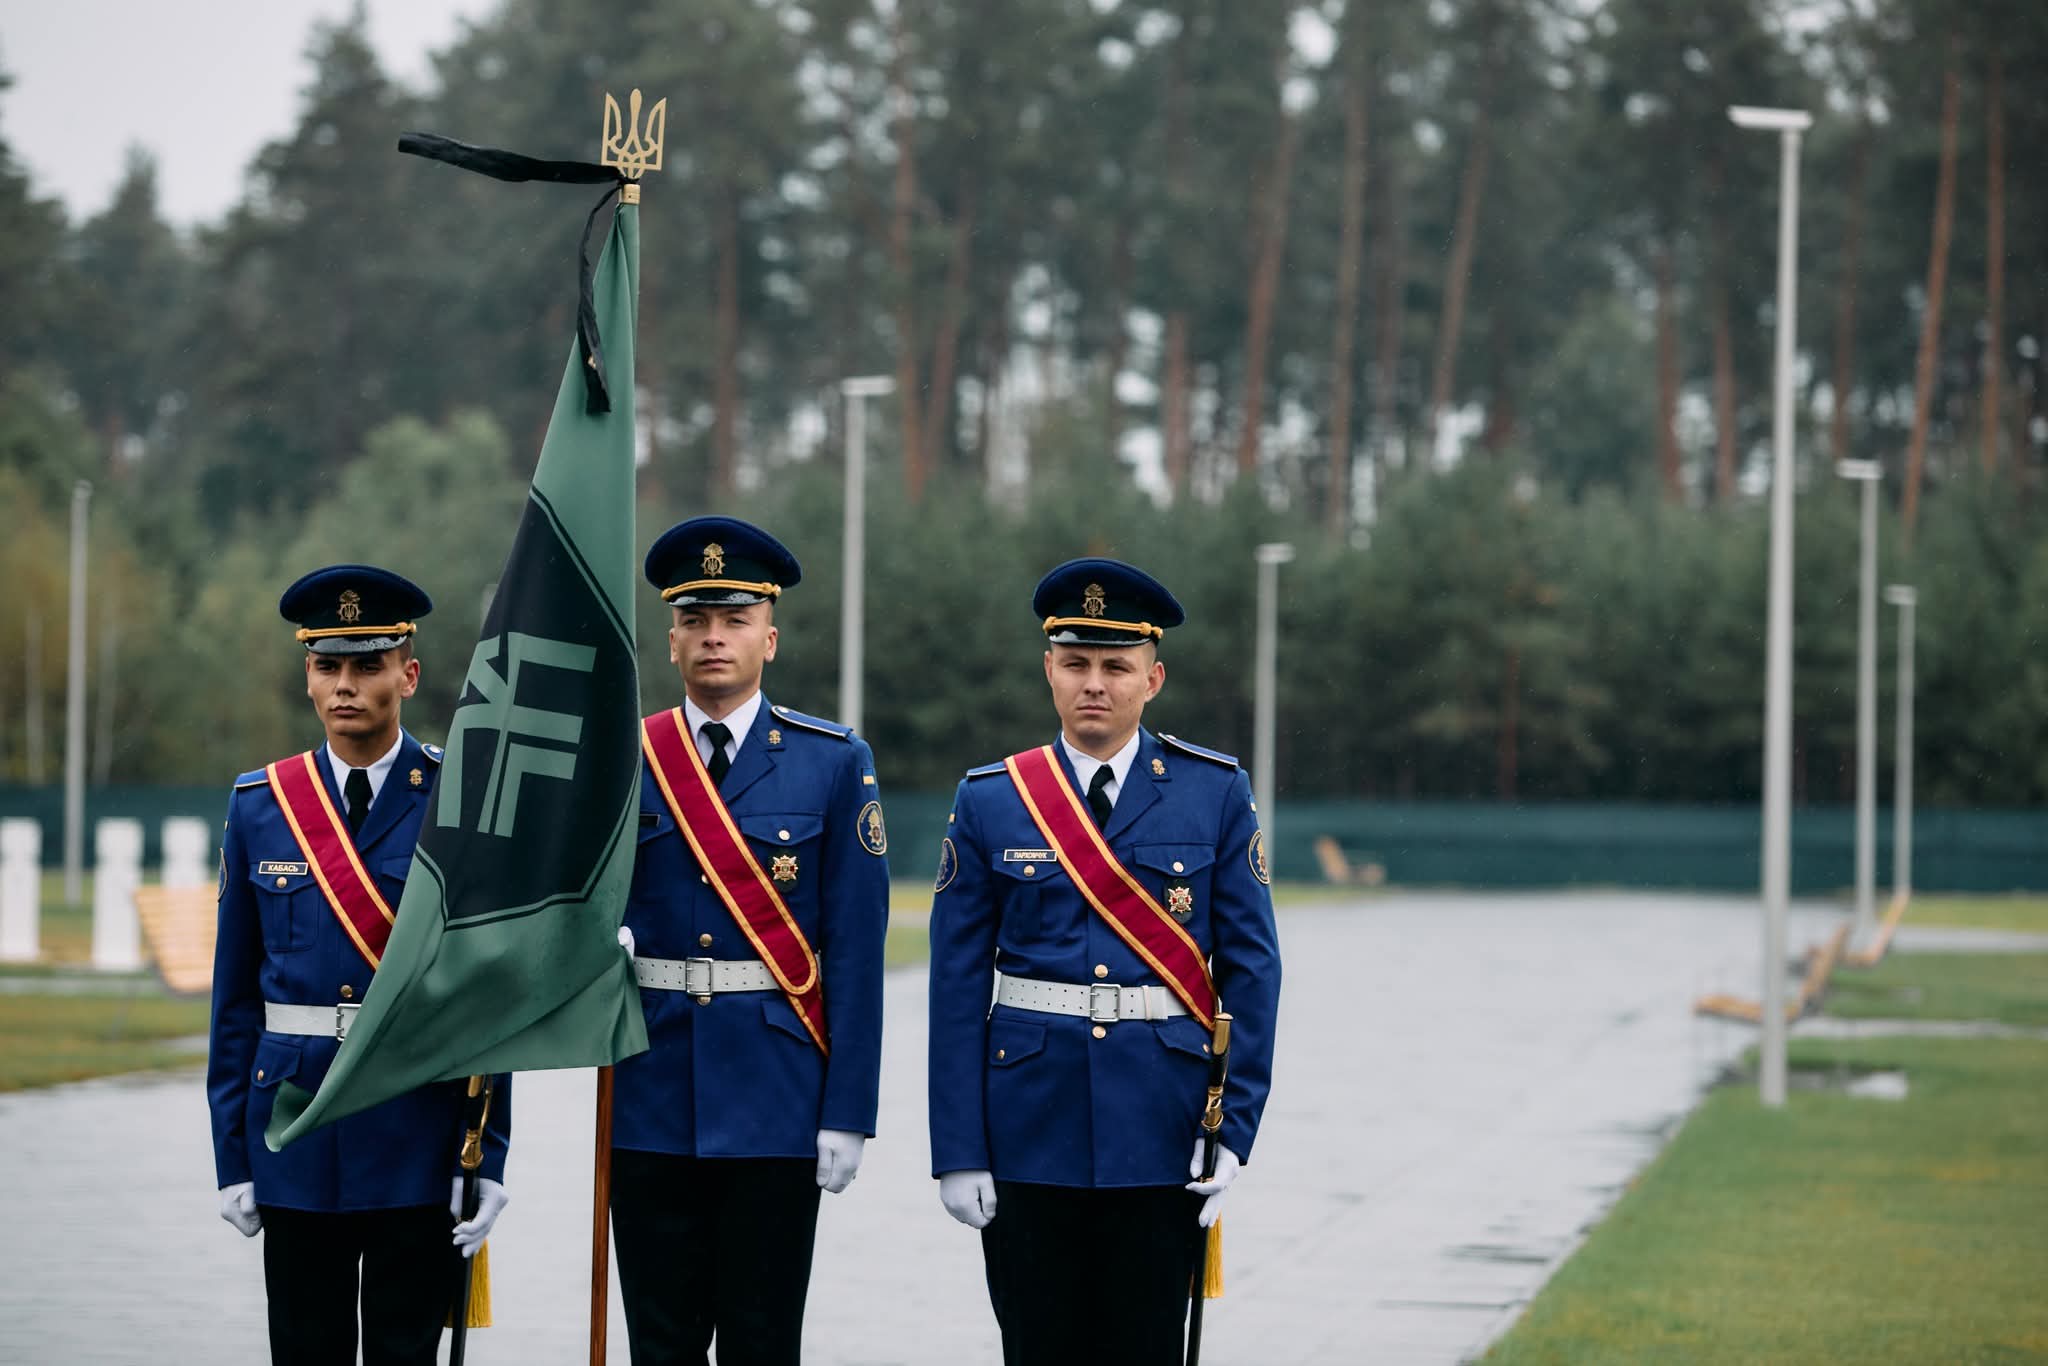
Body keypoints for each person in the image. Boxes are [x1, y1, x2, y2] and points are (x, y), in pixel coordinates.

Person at [927, 557, 1282, 1364]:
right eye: (1077, 663)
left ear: (1152, 678)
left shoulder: (1214, 792)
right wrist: (958, 1148)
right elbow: (954, 985)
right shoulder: (991, 798)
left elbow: (1253, 971)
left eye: (1116, 667)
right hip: (1026, 1130)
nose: (1096, 684)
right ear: (1048, 669)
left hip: (1162, 1128)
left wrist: (1235, 1128)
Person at [207, 564, 511, 1365]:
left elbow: (482, 999)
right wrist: (229, 1156)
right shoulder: (260, 806)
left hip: (415, 1128)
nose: (346, 686)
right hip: (292, 1129)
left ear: (408, 675)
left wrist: (491, 1154)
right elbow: (235, 1000)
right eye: (327, 665)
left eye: (368, 664)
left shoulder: (457, 801)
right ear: (307, 677)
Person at [611, 516, 890, 1365]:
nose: (713, 637)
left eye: (733, 619)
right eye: (695, 620)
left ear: (770, 635)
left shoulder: (833, 762)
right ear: (670, 640)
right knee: (660, 1341)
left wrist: (849, 1111)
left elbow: (854, 947)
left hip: (778, 1097)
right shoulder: (628, 757)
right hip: (649, 1089)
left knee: (764, 1341)